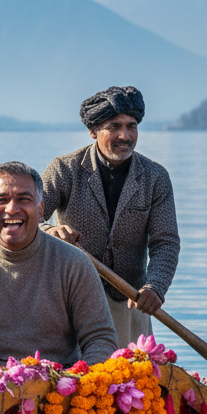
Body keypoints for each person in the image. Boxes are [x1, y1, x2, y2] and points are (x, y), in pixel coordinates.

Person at [0, 162, 117, 373]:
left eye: (24, 199)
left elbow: (101, 339)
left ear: (41, 210)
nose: (12, 209)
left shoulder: (74, 263)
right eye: (1, 200)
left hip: (58, 387)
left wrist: (74, 383)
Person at [40, 86, 180, 346]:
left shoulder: (155, 177)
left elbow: (166, 242)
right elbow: (30, 220)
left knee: (133, 381)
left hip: (130, 303)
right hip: (71, 300)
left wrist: (155, 287)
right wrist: (50, 231)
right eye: (114, 126)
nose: (124, 136)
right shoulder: (64, 169)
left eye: (132, 126)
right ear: (92, 131)